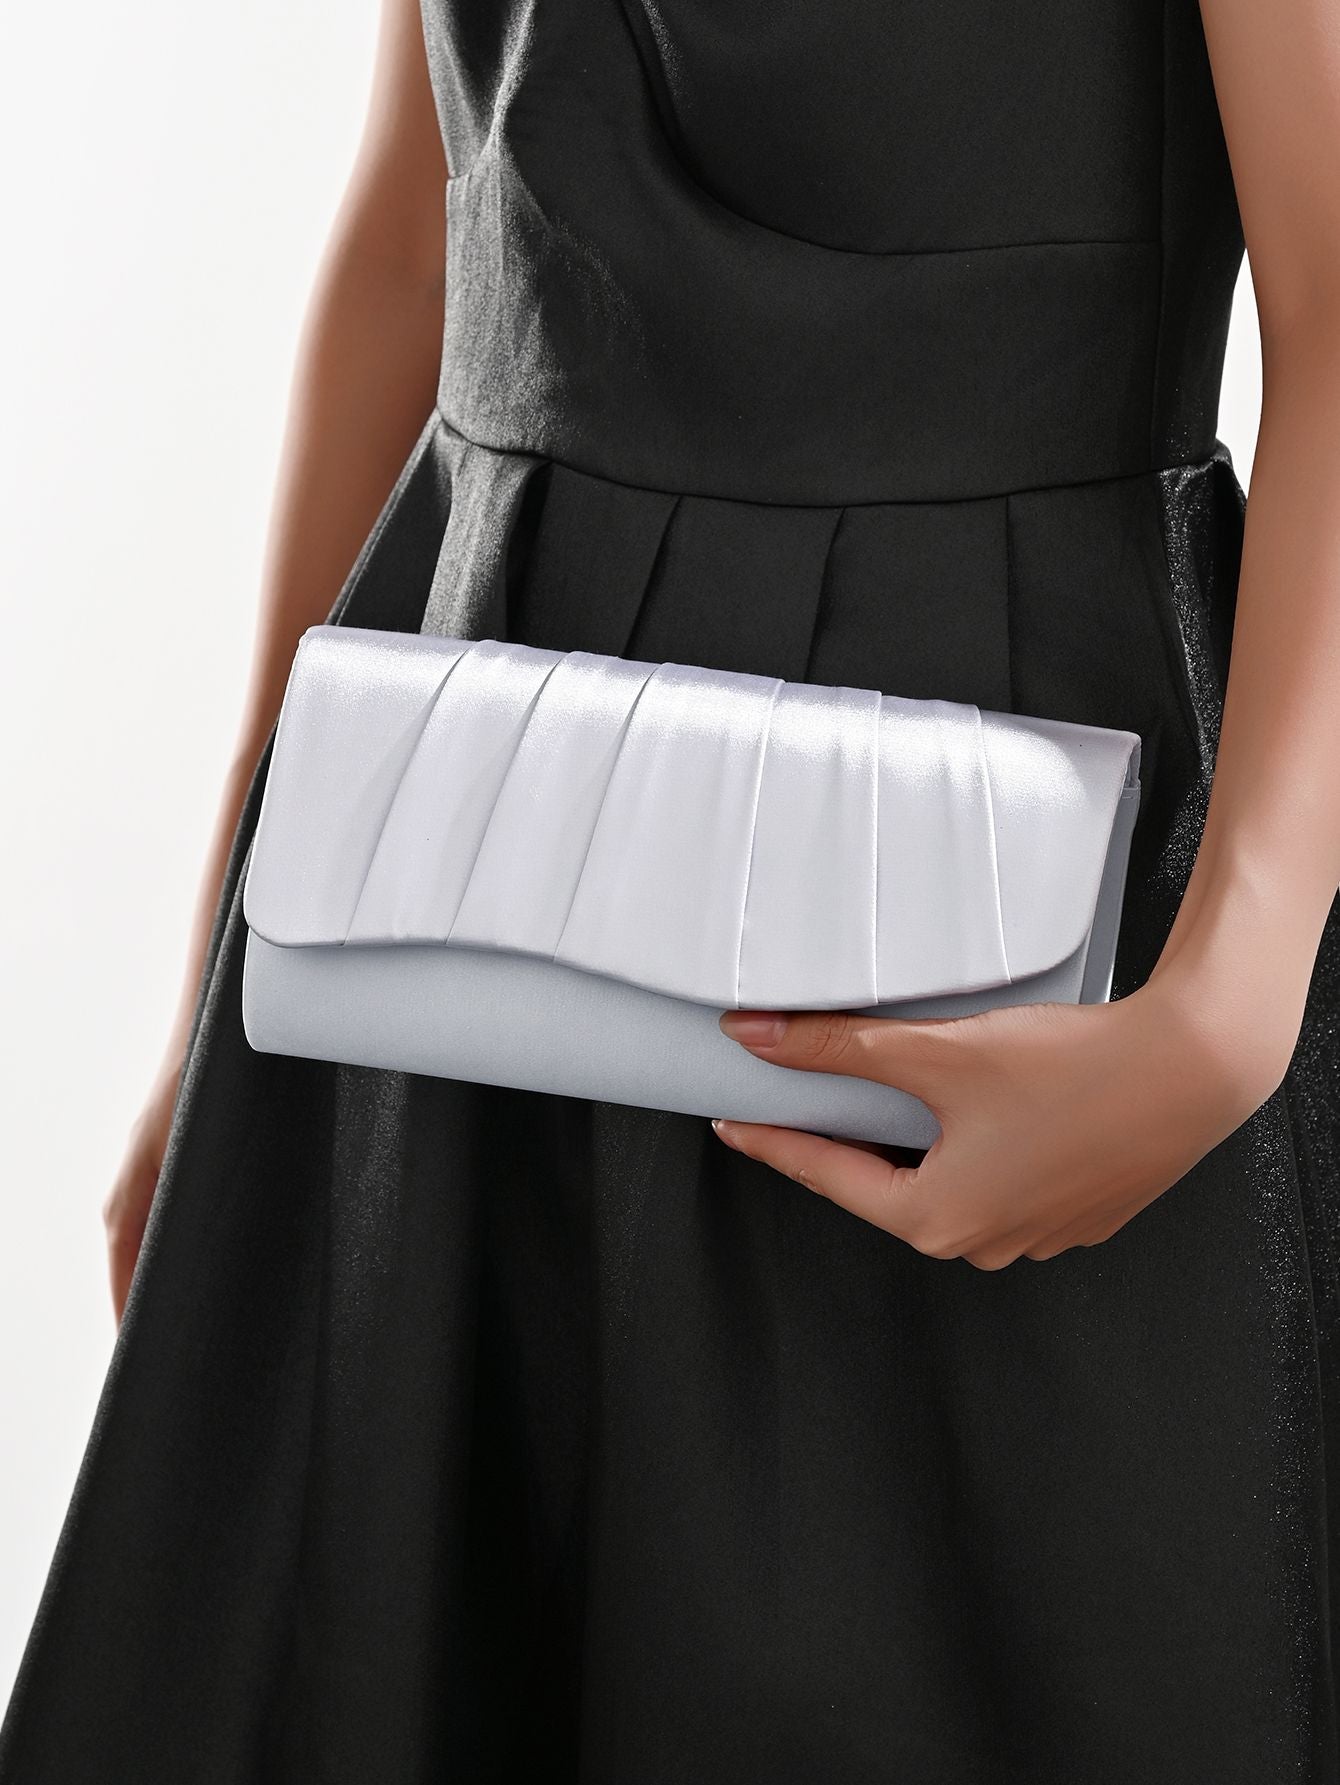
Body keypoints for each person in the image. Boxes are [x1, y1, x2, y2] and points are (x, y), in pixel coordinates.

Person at [4, 0, 1340, 1777]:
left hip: (1002, 936)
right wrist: (223, 969)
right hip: (447, 913)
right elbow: (421, 232)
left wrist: (1227, 1007)